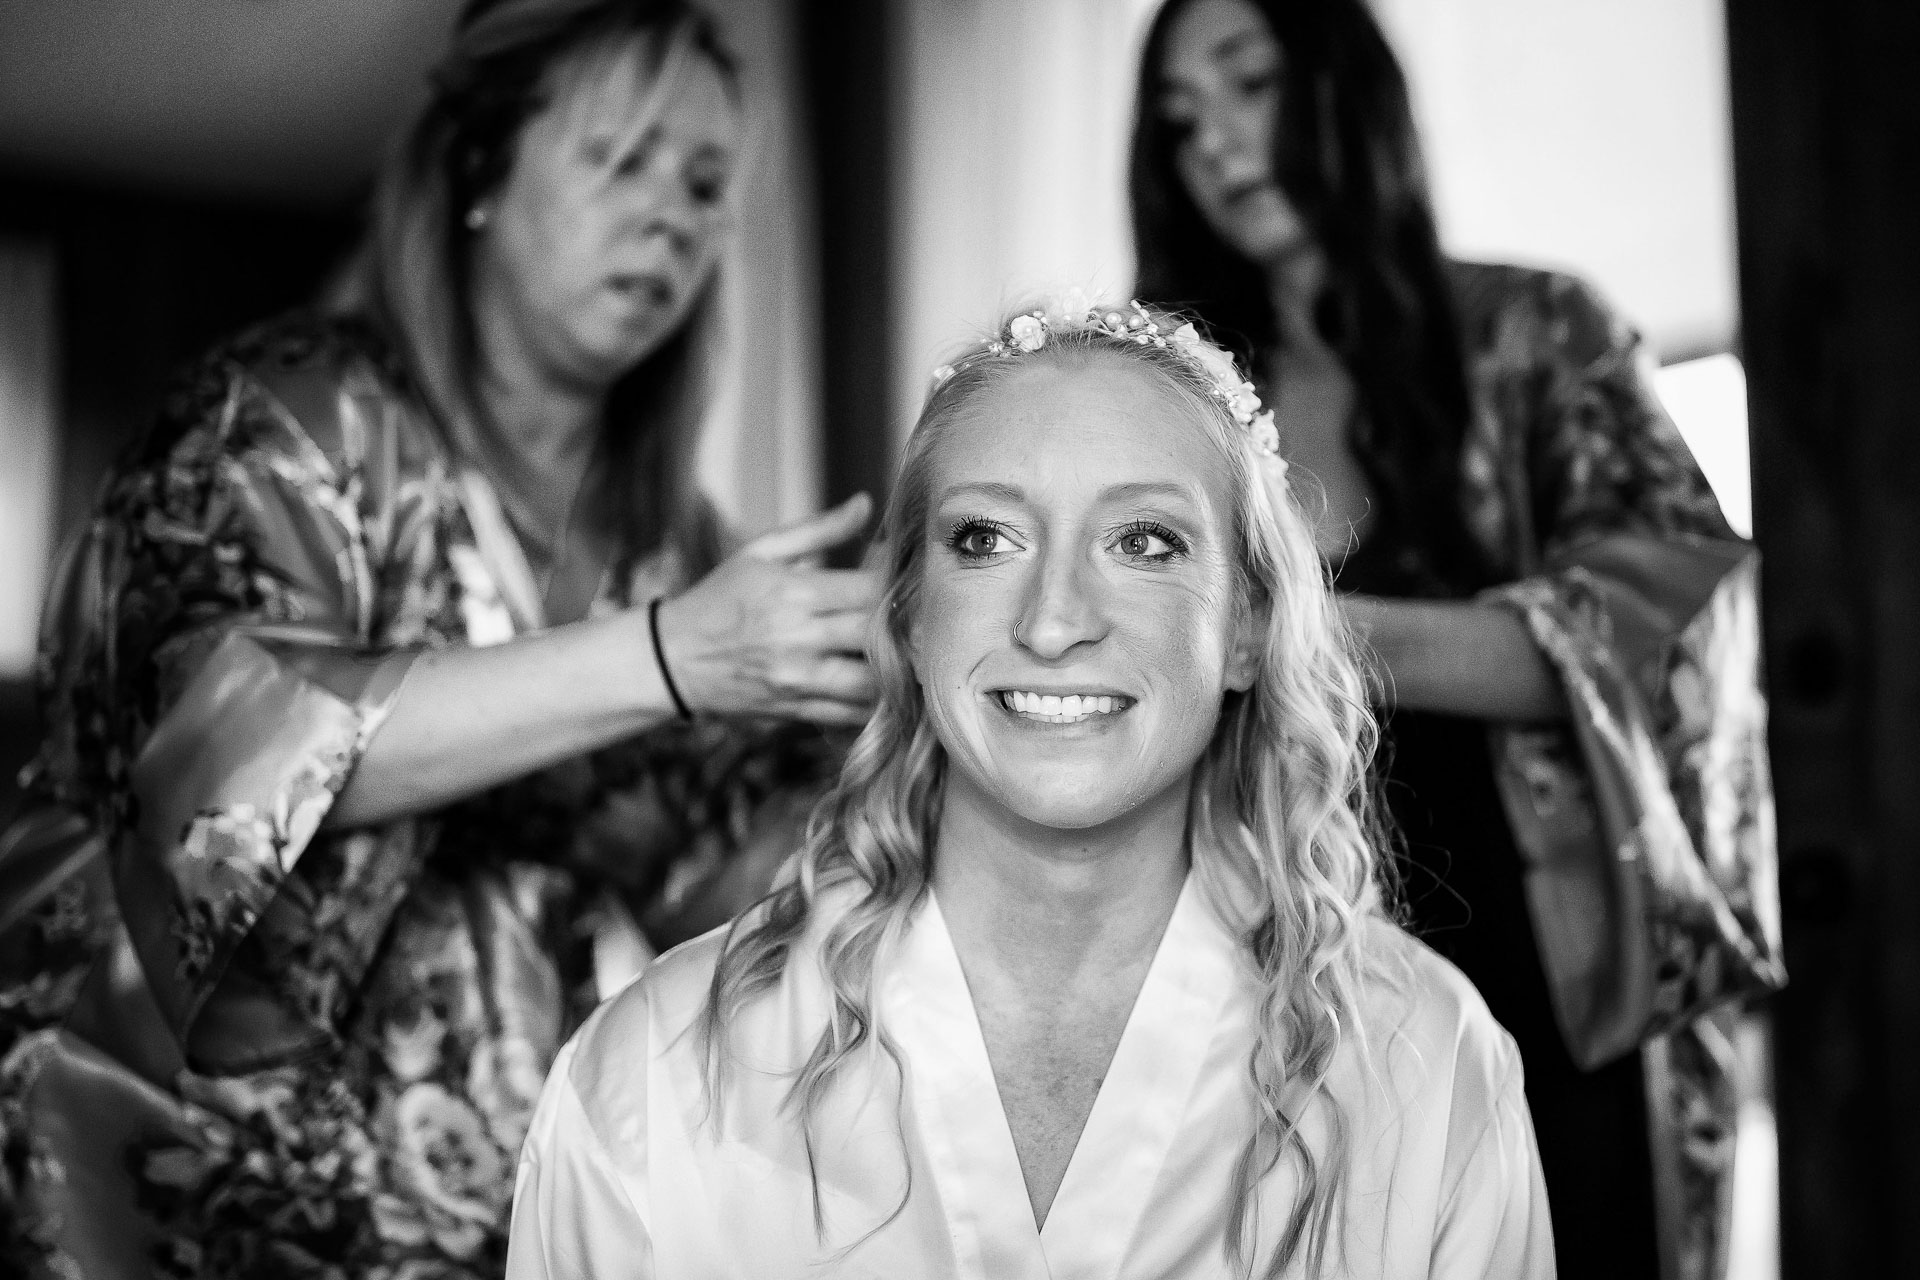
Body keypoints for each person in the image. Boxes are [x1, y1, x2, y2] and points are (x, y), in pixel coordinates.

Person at [0, 2, 875, 1276]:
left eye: (702, 184)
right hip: (160, 1184)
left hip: (483, 1210)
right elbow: (214, 755)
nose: (672, 218)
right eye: (619, 159)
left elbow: (714, 864)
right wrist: (669, 656)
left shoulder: (670, 541)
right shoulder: (283, 417)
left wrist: (922, 730)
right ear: (480, 174)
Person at [503, 299, 1555, 1279]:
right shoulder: (652, 1074)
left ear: (1246, 627)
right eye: (984, 539)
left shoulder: (1425, 1063)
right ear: (911, 620)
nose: (1053, 622)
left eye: (1145, 542)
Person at [1130, 3, 1783, 1278]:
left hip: (1555, 984)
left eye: (1250, 83)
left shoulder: (1541, 335)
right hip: (1271, 999)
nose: (1215, 145)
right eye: (1181, 123)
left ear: (1347, 89)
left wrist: (1310, 634)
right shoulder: (1177, 405)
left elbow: (1679, 617)